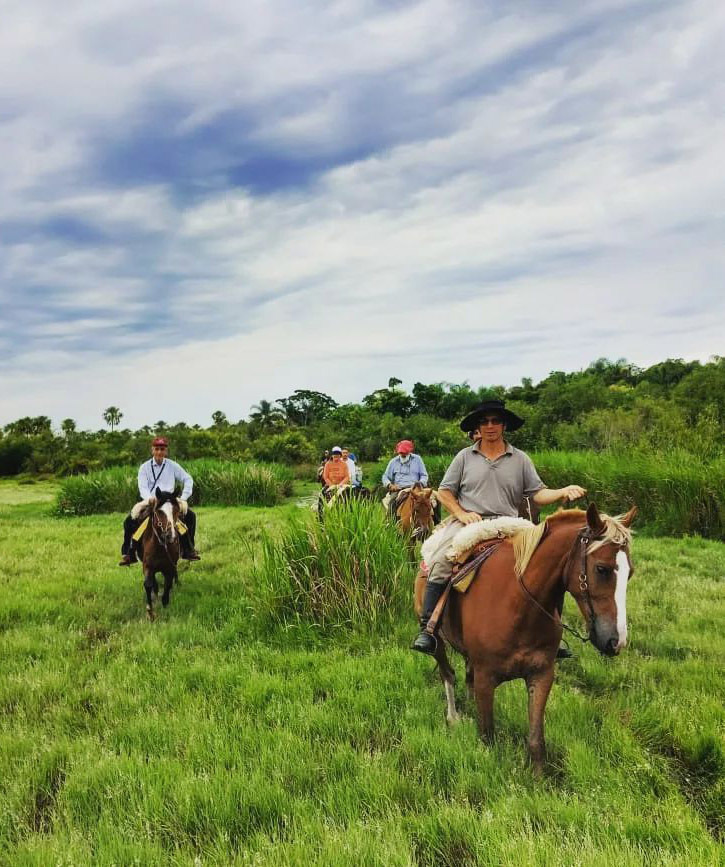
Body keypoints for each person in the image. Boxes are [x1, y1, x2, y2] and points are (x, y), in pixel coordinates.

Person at [411, 400, 585, 658]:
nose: (490, 426)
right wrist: (461, 513)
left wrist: (562, 492)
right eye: (484, 421)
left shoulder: (520, 458)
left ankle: (550, 631)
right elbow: (445, 492)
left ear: (504, 425)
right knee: (440, 559)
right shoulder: (464, 457)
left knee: (550, 563)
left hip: (509, 523)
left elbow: (537, 493)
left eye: (495, 421)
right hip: (470, 522)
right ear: (478, 427)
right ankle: (429, 628)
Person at [119, 437, 201, 566]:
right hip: (151, 501)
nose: (159, 452)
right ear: (152, 450)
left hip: (169, 501)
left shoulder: (173, 466)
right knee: (130, 521)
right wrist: (149, 499)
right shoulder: (144, 467)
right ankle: (129, 554)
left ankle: (188, 550)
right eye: (156, 449)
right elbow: (143, 487)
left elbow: (188, 479)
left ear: (166, 451)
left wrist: (183, 498)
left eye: (162, 449)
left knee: (190, 516)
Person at [382, 440, 429, 517]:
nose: (402, 455)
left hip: (416, 488)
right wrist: (390, 485)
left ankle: (437, 523)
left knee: (434, 500)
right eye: (401, 454)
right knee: (392, 502)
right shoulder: (393, 462)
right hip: (399, 489)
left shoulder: (418, 459)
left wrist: (420, 483)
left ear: (409, 452)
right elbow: (385, 476)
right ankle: (390, 524)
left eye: (404, 454)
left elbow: (424, 475)